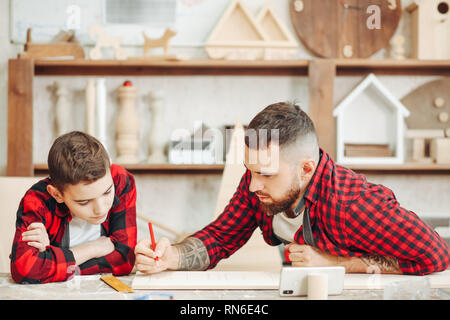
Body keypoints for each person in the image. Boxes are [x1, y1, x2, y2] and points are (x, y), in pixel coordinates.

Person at [135, 102, 449, 276]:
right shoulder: (257, 183)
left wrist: (336, 264)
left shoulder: (352, 204)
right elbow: (220, 237)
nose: (253, 184)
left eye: (266, 174)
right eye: (250, 171)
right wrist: (171, 256)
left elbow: (435, 256)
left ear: (307, 169)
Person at [10, 131, 137, 283]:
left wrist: (50, 258)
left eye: (107, 192)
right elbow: (25, 270)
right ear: (57, 194)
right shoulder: (37, 200)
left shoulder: (121, 180)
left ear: (109, 165)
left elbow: (125, 260)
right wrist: (93, 249)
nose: (100, 209)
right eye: (84, 202)